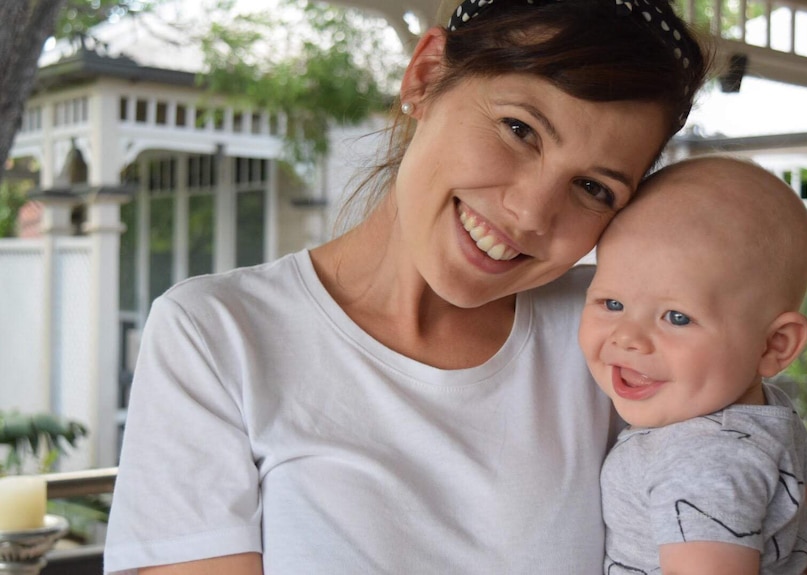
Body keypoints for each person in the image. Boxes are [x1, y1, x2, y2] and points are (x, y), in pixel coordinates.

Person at [103, 0, 711, 573]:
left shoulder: (617, 339)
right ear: (424, 77)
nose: (531, 213)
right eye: (520, 129)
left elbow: (772, 507)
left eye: (594, 188)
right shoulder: (218, 336)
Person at [578, 155, 807, 575]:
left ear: (774, 346)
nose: (627, 338)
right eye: (612, 303)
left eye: (676, 317)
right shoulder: (770, 414)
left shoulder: (702, 462)